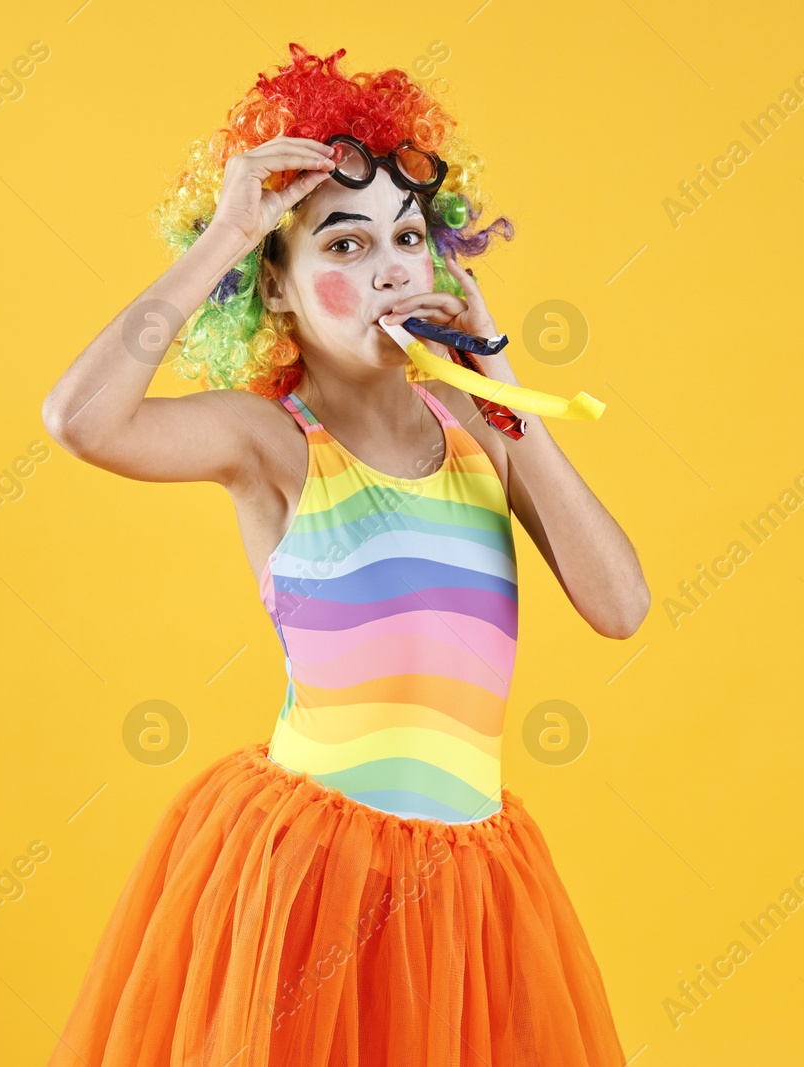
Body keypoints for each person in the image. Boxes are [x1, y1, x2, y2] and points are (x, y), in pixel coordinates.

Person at [41, 42, 647, 1067]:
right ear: (274, 290)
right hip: (315, 879)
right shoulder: (270, 442)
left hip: (465, 891)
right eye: (343, 246)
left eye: (405, 239)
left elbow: (619, 604)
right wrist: (230, 231)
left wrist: (501, 388)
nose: (386, 269)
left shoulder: (476, 423)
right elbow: (80, 419)